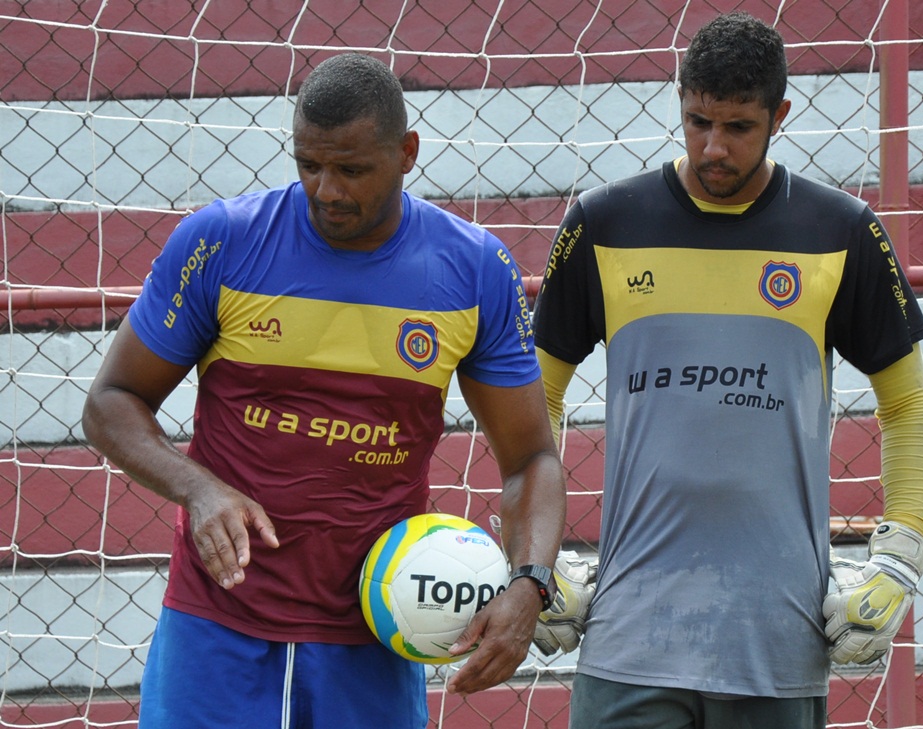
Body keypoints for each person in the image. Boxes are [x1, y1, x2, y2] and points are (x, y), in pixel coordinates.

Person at [82, 52, 566, 729]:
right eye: (309, 165)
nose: (327, 190)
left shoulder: (473, 268)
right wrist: (197, 487)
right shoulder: (222, 242)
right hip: (216, 622)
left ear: (408, 153)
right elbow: (110, 403)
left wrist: (529, 583)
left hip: (372, 632)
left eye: (352, 169)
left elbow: (531, 460)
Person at [530, 11, 923, 729]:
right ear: (680, 99)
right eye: (696, 121)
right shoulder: (603, 222)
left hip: (777, 640)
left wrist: (899, 554)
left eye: (739, 128)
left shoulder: (840, 230)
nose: (713, 147)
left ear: (781, 113)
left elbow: (906, 402)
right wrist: (533, 557)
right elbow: (536, 398)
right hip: (628, 633)